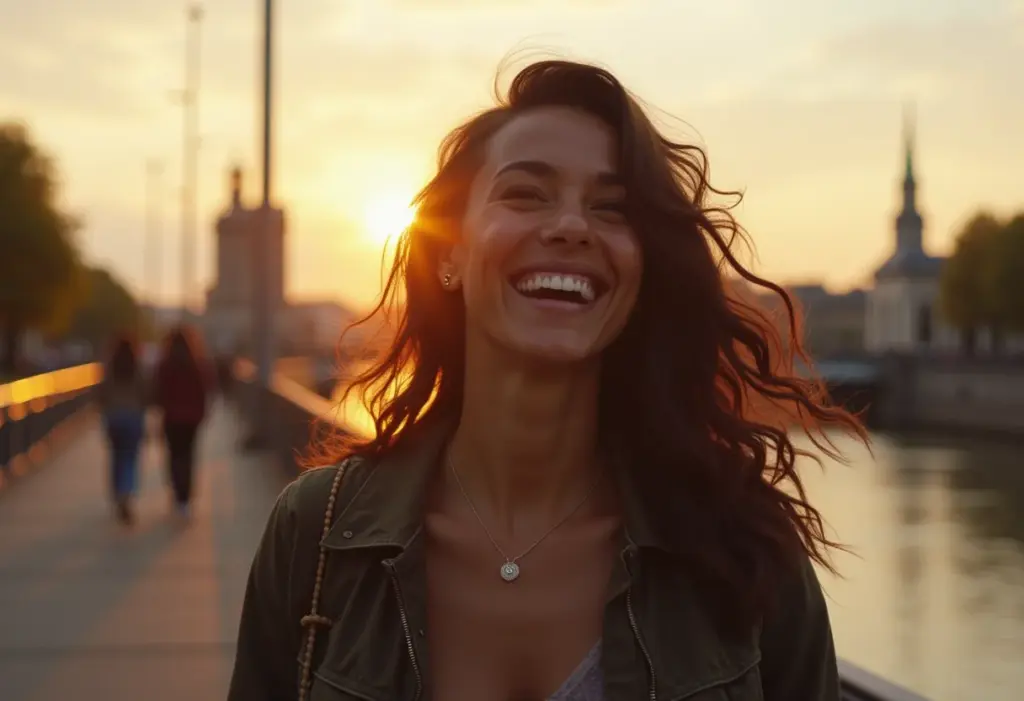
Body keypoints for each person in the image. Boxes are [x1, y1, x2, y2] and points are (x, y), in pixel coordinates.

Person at [229, 59, 866, 701]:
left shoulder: (743, 549)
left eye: (612, 208)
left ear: (641, 272)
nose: (570, 226)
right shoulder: (315, 536)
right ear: (449, 253)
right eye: (526, 194)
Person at [153, 325, 211, 519]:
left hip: (171, 418)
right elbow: (204, 389)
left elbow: (158, 391)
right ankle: (185, 498)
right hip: (192, 418)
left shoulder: (165, 364)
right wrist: (203, 412)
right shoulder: (197, 363)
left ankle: (177, 493)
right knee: (189, 456)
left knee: (174, 456)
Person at [97, 335, 147, 525]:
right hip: (133, 416)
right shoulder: (138, 367)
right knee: (130, 458)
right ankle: (127, 491)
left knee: (116, 457)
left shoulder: (110, 367)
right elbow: (146, 392)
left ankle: (117, 493)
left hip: (114, 416)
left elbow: (102, 392)